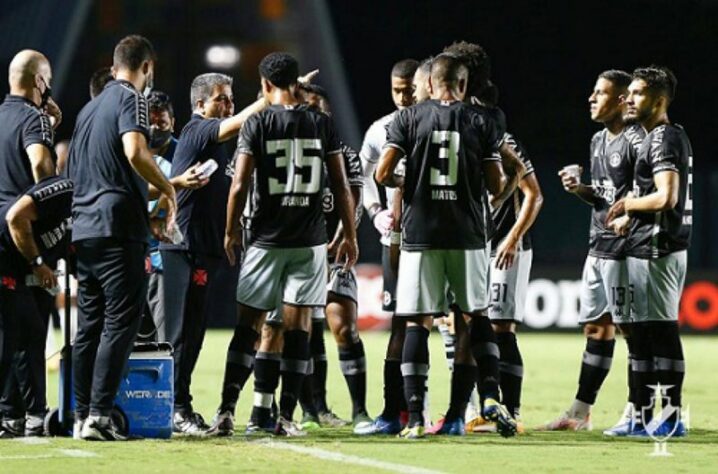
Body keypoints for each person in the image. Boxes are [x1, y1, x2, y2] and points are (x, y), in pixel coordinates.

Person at [207, 52, 357, 437]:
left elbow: (239, 185)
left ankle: (225, 412)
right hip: (309, 242)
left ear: (265, 84)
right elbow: (340, 185)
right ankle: (286, 418)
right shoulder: (322, 123)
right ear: (297, 83)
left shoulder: (256, 123)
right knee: (299, 331)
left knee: (248, 327)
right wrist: (351, 234)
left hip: (265, 240)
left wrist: (230, 231)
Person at [376, 53, 514, 439]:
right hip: (468, 234)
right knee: (475, 316)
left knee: (416, 320)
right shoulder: (481, 121)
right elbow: (496, 185)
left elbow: (383, 173)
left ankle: (416, 417)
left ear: (431, 84)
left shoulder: (407, 119)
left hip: (421, 234)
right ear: (464, 85)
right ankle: (488, 395)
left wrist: (410, 177)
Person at [67, 34, 177, 441]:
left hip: (85, 228)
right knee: (122, 322)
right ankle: (99, 415)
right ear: (147, 67)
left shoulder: (87, 110)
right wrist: (166, 187)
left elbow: (77, 174)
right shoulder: (131, 98)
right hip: (117, 229)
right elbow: (135, 151)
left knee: (89, 326)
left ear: (114, 66)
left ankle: (81, 415)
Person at [159, 73, 267, 434]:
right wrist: (272, 95)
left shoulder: (213, 143)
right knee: (179, 333)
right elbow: (241, 122)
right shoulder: (197, 130)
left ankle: (181, 406)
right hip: (182, 249)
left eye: (230, 98)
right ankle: (173, 408)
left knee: (194, 332)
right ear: (200, 105)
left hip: (202, 250)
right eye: (221, 99)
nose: (228, 105)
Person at [540, 70, 643, 434]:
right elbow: (603, 198)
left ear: (620, 100)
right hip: (597, 245)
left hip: (625, 251)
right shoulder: (599, 140)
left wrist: (630, 215)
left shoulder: (638, 140)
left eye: (600, 93)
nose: (591, 98)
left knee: (632, 331)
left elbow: (644, 197)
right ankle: (580, 413)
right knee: (596, 330)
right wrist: (578, 188)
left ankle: (638, 411)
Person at [606, 66, 691, 437]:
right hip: (648, 244)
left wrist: (628, 205)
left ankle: (671, 417)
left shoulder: (662, 138)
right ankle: (641, 416)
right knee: (642, 334)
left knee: (660, 332)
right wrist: (633, 217)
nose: (629, 98)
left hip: (660, 249)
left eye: (638, 93)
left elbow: (667, 195)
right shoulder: (663, 137)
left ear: (659, 101)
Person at [294, 84, 372, 433]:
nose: (312, 114)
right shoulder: (293, 148)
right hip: (298, 253)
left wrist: (344, 235)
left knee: (345, 328)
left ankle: (360, 411)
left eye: (317, 108)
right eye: (306, 107)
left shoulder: (344, 152)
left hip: (334, 252)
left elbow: (351, 200)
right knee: (305, 332)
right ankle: (313, 410)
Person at [0, 49, 61, 438]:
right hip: (21, 236)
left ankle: (11, 414)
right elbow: (40, 165)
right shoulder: (33, 118)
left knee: (11, 327)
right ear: (40, 81)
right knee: (31, 329)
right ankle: (32, 413)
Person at [357, 58, 419, 435]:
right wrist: (375, 209)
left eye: (410, 88)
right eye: (397, 89)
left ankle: (466, 412)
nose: (403, 96)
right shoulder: (380, 129)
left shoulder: (435, 122)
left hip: (437, 238)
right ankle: (394, 411)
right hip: (396, 241)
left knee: (452, 323)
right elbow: (365, 173)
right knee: (399, 322)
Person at [0, 176, 73, 438]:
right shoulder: (65, 188)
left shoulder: (87, 206)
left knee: (28, 336)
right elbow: (14, 217)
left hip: (15, 270)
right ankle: (19, 415)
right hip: (4, 259)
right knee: (7, 344)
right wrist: (38, 262)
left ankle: (30, 416)